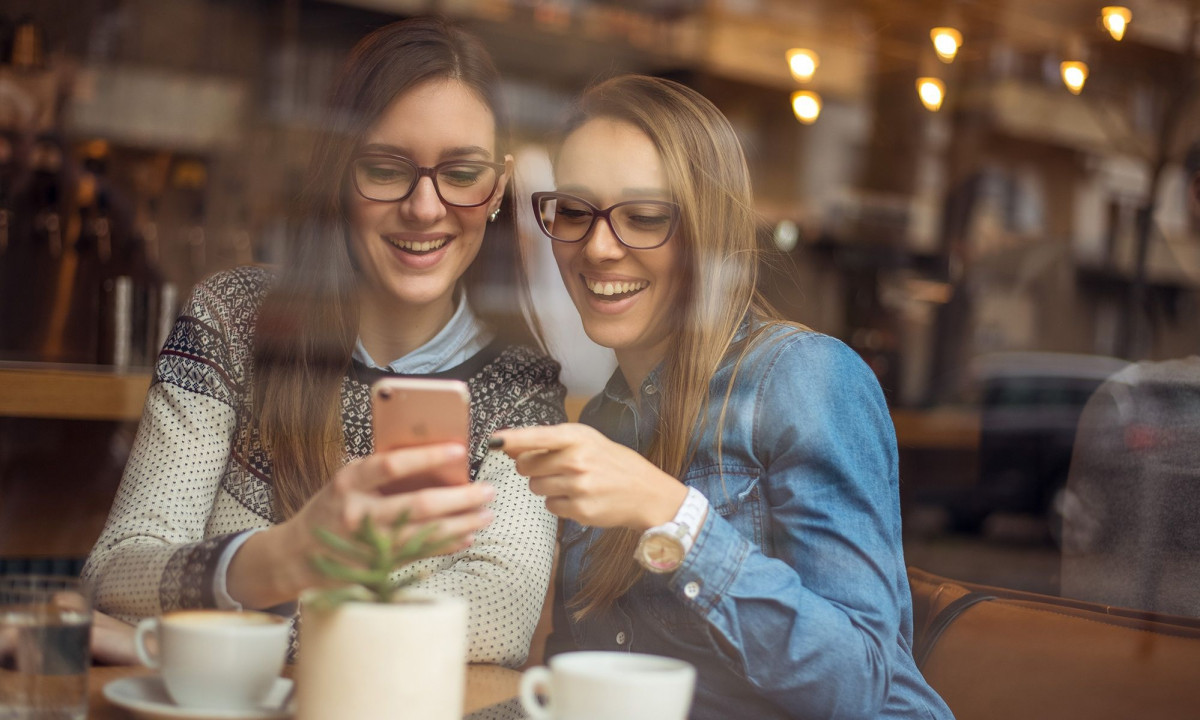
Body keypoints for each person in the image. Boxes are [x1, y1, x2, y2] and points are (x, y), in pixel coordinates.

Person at [82, 17, 564, 667]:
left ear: (497, 187)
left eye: (462, 172)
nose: (425, 207)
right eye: (386, 168)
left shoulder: (522, 389)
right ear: (340, 171)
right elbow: (117, 572)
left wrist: (180, 637)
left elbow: (495, 619)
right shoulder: (232, 318)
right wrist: (285, 557)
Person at [494, 75, 953, 718]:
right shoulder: (604, 419)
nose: (597, 247)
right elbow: (585, 668)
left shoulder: (803, 378)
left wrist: (672, 514)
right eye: (573, 211)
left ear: (708, 232)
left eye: (645, 217)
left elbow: (860, 681)